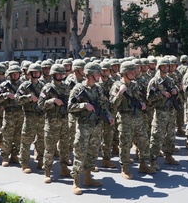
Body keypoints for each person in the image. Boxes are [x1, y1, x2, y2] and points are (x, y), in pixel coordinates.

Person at [69, 63, 114, 195]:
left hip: (96, 126)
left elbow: (102, 105)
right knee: (80, 153)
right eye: (97, 74)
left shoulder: (98, 89)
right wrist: (83, 105)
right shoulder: (78, 89)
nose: (99, 76)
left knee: (93, 152)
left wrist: (109, 116)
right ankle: (76, 182)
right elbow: (70, 107)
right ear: (90, 75)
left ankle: (88, 178)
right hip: (83, 126)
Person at [109, 61, 156, 179]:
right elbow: (113, 105)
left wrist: (141, 104)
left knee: (143, 139)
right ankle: (124, 167)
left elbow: (138, 97)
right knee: (125, 143)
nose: (132, 74)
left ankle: (143, 163)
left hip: (136, 115)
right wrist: (120, 93)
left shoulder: (134, 85)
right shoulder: (117, 85)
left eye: (133, 72)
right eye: (130, 72)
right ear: (124, 73)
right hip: (124, 117)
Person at [38, 64, 71, 183]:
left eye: (62, 74)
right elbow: (40, 104)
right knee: (50, 148)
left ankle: (64, 168)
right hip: (52, 123)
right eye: (58, 74)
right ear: (53, 75)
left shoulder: (66, 87)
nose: (60, 76)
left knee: (64, 147)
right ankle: (47, 171)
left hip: (64, 121)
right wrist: (52, 101)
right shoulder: (47, 88)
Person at [147, 58, 180, 170]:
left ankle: (169, 156)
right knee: (157, 136)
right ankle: (153, 160)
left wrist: (176, 91)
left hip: (171, 112)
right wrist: (161, 94)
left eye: (167, 66)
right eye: (163, 66)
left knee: (171, 135)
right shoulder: (154, 81)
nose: (166, 68)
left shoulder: (170, 80)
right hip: (160, 111)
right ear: (159, 67)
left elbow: (176, 90)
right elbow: (149, 98)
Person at [15, 63, 45, 173]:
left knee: (41, 139)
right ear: (30, 73)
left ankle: (41, 160)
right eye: (34, 72)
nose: (36, 74)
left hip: (41, 116)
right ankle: (24, 162)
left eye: (38, 72)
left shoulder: (43, 85)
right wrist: (29, 97)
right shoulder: (24, 86)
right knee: (26, 140)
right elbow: (17, 99)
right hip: (29, 115)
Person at [0, 65, 24, 167]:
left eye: (17, 73)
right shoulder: (4, 85)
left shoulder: (23, 85)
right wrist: (6, 95)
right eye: (13, 74)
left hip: (21, 113)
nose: (15, 75)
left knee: (18, 136)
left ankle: (15, 155)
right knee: (7, 135)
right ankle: (5, 156)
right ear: (10, 75)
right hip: (9, 113)